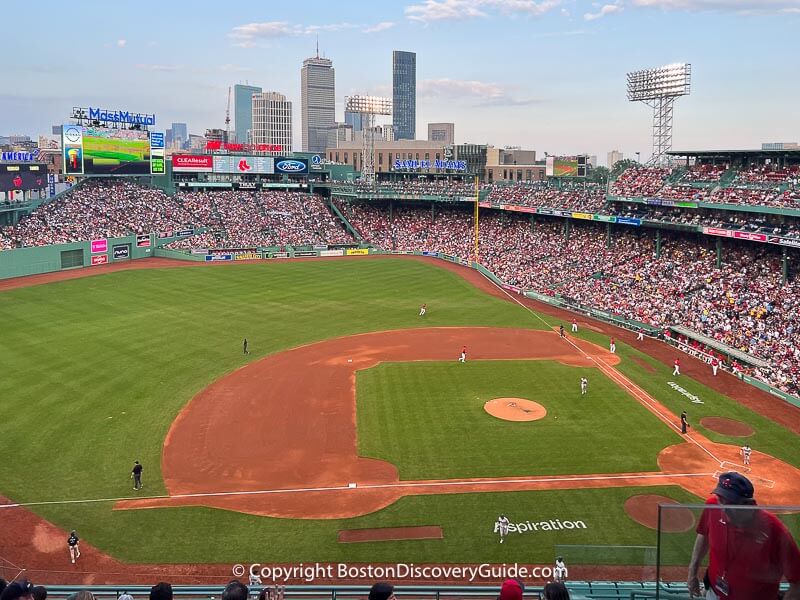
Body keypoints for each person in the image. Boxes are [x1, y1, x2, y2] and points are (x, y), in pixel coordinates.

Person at [687, 472, 800, 599]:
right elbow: (704, 533)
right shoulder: (713, 506)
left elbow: (797, 583)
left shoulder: (775, 530)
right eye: (721, 500)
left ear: (749, 504)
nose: (723, 509)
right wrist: (692, 572)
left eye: (730, 504)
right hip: (714, 593)